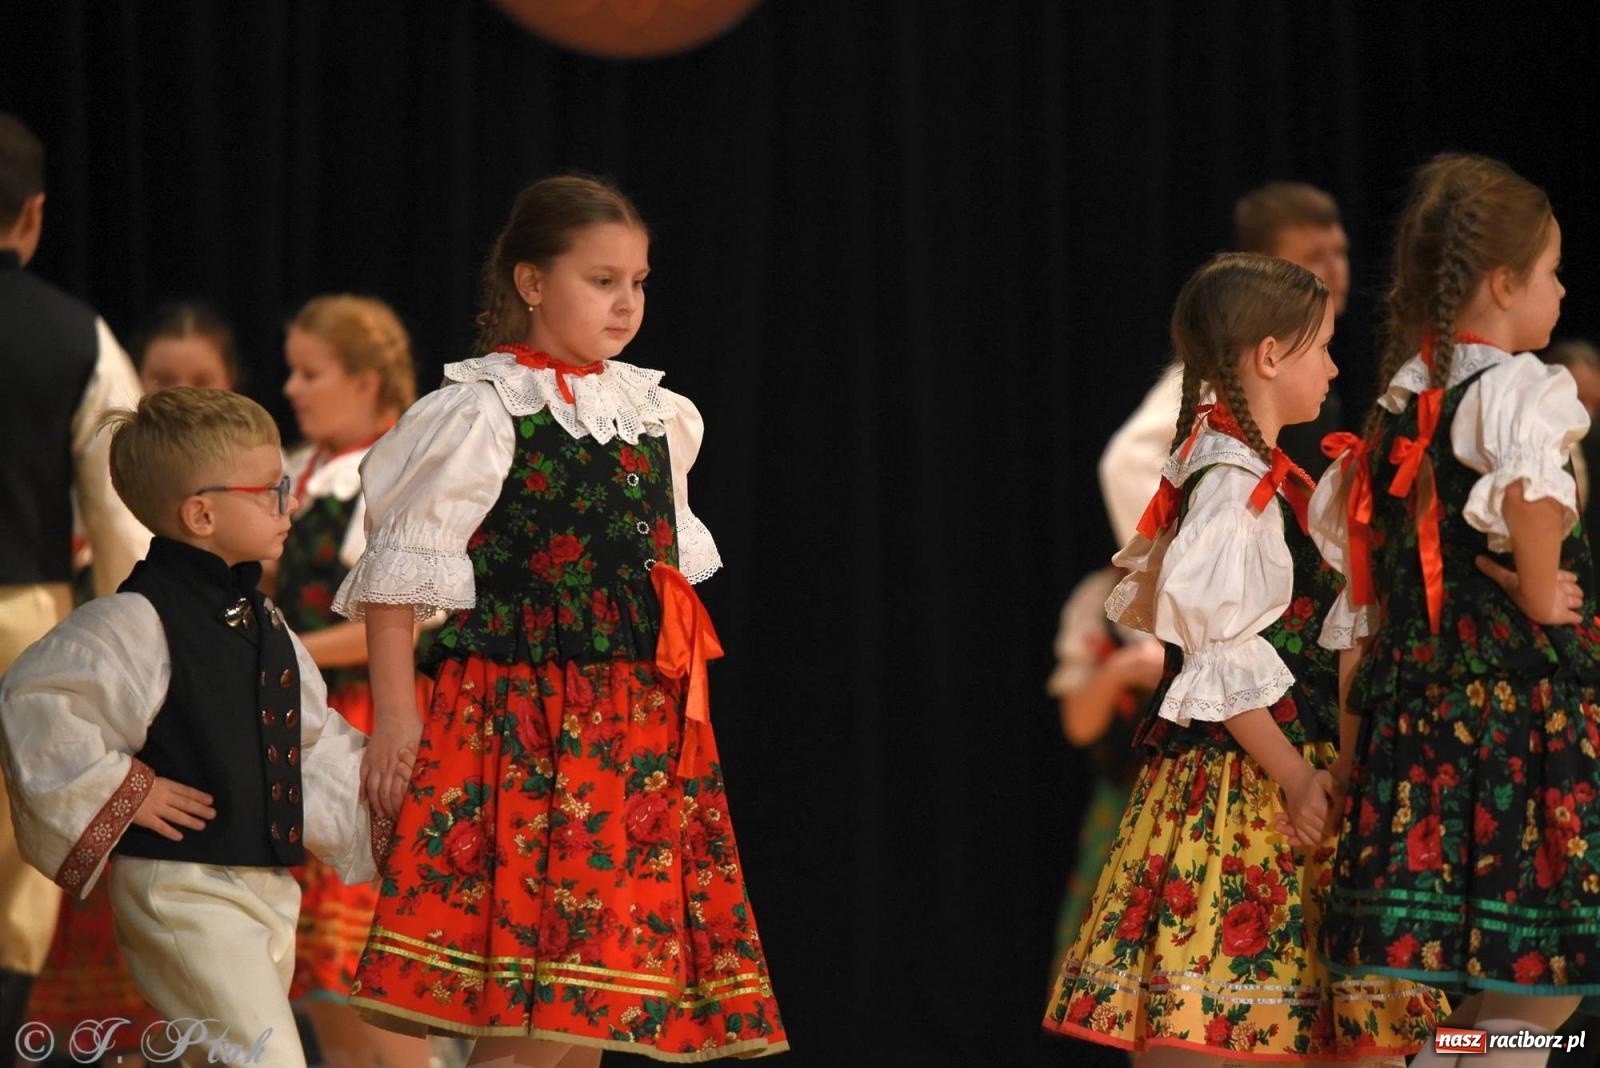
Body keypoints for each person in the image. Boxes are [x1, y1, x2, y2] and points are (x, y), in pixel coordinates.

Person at [332, 175, 786, 1063]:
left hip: (631, 732)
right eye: (602, 279)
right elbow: (397, 580)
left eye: (639, 282)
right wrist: (396, 718)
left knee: (596, 1003)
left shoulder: (659, 416)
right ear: (532, 282)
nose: (627, 302)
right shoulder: (484, 410)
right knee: (525, 1005)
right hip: (519, 727)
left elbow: (666, 594)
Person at [1044, 253, 1445, 1064]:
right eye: (1323, 346)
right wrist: (1301, 779)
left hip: (1277, 779)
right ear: (1269, 355)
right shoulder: (1232, 485)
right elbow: (1219, 659)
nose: (1335, 367)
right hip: (1248, 792)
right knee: (1228, 1027)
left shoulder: (1254, 471)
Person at [1314, 154, 1600, 1068]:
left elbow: (1362, 606)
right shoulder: (1515, 389)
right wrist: (1533, 590)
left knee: (1489, 975)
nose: (1561, 289)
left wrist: (1359, 759)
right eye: (1553, 270)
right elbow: (1532, 498)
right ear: (1505, 282)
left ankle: (1442, 1057)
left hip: (1421, 728)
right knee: (1544, 972)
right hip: (1510, 723)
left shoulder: (1401, 407)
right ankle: (1450, 1061)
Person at [0, 388, 379, 1067]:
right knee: (262, 1058)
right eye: (269, 489)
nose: (286, 502)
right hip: (181, 888)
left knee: (216, 1055)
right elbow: (38, 703)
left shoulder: (264, 624)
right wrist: (128, 788)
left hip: (261, 887)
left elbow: (309, 745)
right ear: (201, 513)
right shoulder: (136, 620)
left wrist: (385, 788)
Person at [0, 110, 150, 1043]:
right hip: (23, 625)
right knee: (14, 882)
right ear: (33, 215)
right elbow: (126, 524)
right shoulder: (78, 338)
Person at [277, 294, 432, 1068]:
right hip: (301, 721)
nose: (293, 390)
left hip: (373, 714)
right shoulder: (304, 473)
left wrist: (292, 649)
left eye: (311, 373)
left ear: (367, 381)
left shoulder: (396, 472)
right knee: (315, 979)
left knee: (365, 960)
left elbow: (415, 615)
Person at [1099, 182, 1350, 548]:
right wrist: (1176, 554)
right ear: (1261, 267)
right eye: (1313, 257)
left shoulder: (1307, 372)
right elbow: (1125, 462)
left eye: (1340, 253)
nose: (1334, 270)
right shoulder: (1225, 371)